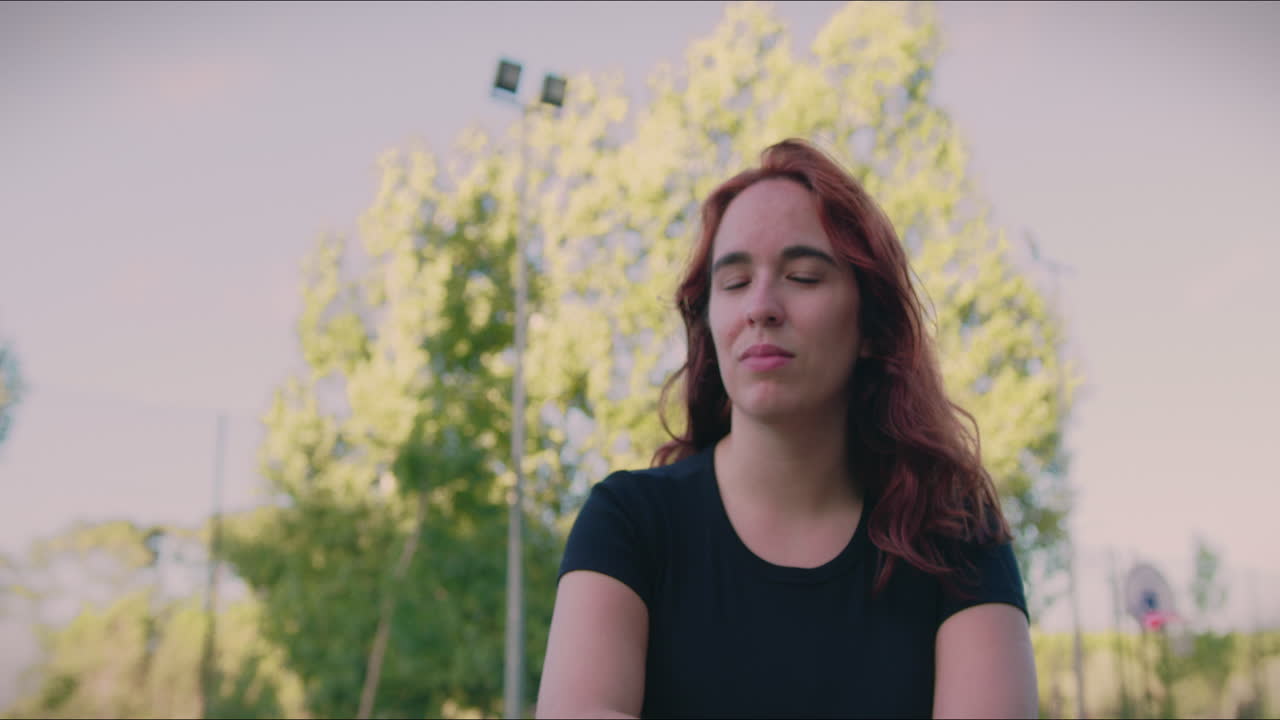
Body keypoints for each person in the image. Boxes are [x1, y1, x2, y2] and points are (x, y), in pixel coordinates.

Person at [535, 139, 1039, 719]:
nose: (761, 306)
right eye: (734, 282)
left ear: (872, 326)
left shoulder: (956, 536)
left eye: (802, 277)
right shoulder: (627, 522)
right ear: (709, 324)